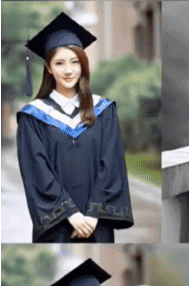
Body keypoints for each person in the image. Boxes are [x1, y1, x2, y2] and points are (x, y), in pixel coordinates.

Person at [16, 13, 134, 243]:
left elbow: (111, 164)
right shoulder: (33, 117)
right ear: (48, 68)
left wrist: (92, 216)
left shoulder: (104, 110)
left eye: (75, 62)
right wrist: (71, 214)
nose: (68, 70)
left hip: (96, 225)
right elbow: (37, 171)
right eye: (59, 63)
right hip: (57, 226)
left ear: (83, 64)